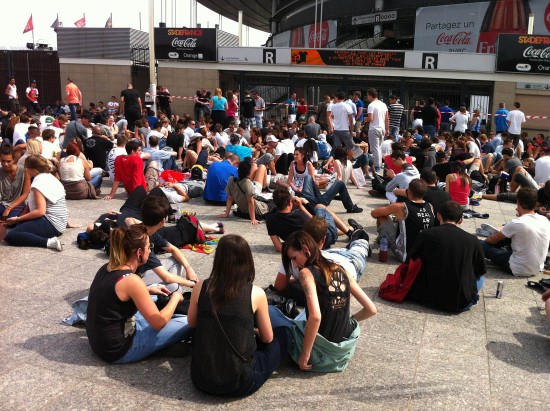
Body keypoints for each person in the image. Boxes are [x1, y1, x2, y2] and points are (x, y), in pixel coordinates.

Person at [188, 234, 287, 396]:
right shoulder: (256, 293)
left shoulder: (201, 287)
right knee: (282, 335)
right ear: (247, 261)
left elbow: (192, 323)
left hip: (201, 378)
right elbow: (268, 338)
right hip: (240, 381)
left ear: (218, 260)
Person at [269, 230, 377, 372]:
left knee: (271, 311)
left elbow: (315, 317)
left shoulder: (306, 273)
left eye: (294, 258)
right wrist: (348, 320)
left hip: (318, 355)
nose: (294, 265)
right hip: (341, 355)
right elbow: (371, 309)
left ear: (306, 249)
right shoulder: (340, 269)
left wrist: (305, 354)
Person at [86, 224, 191, 363]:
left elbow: (112, 294)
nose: (150, 251)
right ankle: (157, 347)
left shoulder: (107, 267)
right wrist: (176, 297)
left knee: (154, 296)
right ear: (139, 252)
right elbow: (159, 323)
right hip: (120, 349)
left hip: (100, 343)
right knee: (190, 320)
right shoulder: (132, 281)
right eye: (149, 248)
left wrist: (147, 290)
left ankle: (162, 345)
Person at [407, 201, 486, 312]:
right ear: (461, 220)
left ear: (439, 216)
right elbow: (480, 270)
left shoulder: (426, 234)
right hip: (459, 302)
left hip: (425, 296)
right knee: (481, 277)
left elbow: (410, 259)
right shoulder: (472, 240)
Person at [481, 187, 550, 276]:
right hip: (537, 268)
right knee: (514, 235)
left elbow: (490, 241)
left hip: (517, 268)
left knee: (480, 244)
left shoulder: (517, 222)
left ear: (518, 202)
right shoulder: (545, 220)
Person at [4, 155, 67, 251]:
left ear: (33, 169)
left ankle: (49, 242)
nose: (25, 169)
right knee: (17, 225)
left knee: (11, 236)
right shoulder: (51, 177)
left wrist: (18, 219)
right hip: (59, 222)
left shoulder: (38, 183)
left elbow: (40, 211)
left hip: (51, 224)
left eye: (26, 167)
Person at [371, 178, 435, 262]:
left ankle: (383, 240)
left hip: (405, 255)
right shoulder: (430, 206)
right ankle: (385, 238)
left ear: (408, 191)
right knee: (396, 219)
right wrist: (395, 217)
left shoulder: (401, 206)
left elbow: (374, 213)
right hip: (422, 255)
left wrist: (390, 213)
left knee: (382, 216)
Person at [221, 158, 269, 225]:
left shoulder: (231, 179)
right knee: (271, 205)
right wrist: (253, 219)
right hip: (258, 209)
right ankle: (265, 187)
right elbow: (250, 201)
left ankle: (265, 188)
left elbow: (229, 198)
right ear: (249, 171)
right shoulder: (247, 182)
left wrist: (226, 214)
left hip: (243, 209)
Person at [0, 143, 30, 219]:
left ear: (14, 160)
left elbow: (25, 194)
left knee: (11, 219)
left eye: (8, 161)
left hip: (18, 204)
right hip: (2, 204)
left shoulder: (24, 171)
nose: (5, 164)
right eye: (2, 161)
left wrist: (9, 208)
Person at [366, 88, 389, 169]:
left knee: (374, 148)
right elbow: (387, 118)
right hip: (382, 128)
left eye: (367, 95)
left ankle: (376, 165)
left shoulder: (371, 105)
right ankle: (378, 164)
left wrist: (366, 119)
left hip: (374, 128)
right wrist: (387, 129)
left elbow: (370, 119)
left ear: (370, 95)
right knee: (379, 148)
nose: (367, 97)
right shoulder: (383, 104)